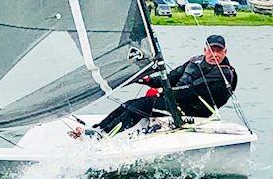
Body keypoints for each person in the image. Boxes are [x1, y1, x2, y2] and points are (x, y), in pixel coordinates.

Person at [74, 35, 237, 138]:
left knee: (140, 106)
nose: (214, 54)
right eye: (211, 50)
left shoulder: (223, 74)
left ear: (225, 52)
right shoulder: (195, 60)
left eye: (219, 51)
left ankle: (104, 136)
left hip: (190, 110)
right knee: (129, 104)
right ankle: (97, 129)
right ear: (205, 49)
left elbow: (192, 90)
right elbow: (172, 77)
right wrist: (147, 80)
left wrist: (164, 91)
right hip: (173, 101)